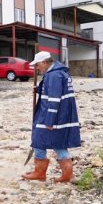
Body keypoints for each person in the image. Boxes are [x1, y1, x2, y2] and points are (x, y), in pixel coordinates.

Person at [22, 51, 81, 182]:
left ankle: (40, 173)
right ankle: (66, 175)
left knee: (38, 141)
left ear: (44, 62)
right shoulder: (59, 73)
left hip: (53, 116)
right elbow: (54, 92)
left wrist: (49, 121)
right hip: (60, 116)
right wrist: (40, 89)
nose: (36, 68)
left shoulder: (54, 75)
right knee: (58, 143)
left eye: (37, 65)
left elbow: (54, 99)